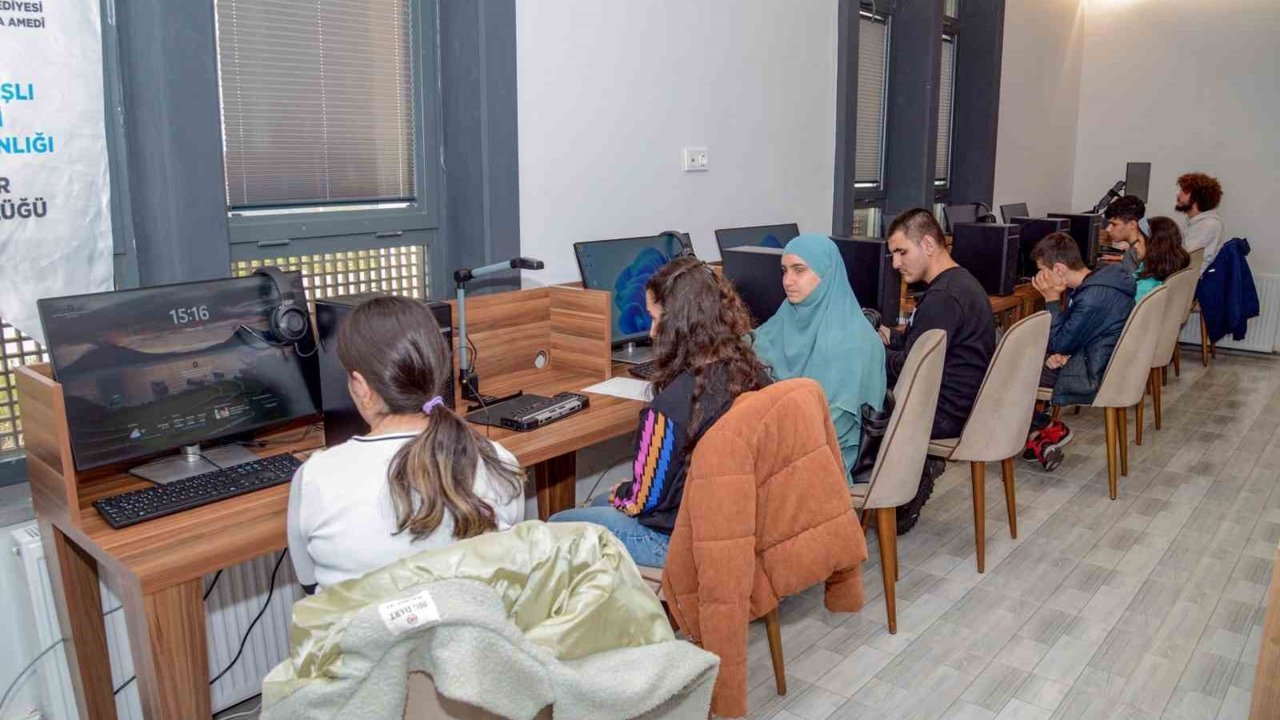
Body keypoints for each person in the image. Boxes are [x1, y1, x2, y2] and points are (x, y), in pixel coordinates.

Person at [287, 297, 525, 593]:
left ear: (361, 387)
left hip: (364, 625)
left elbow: (310, 584)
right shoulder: (498, 462)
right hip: (475, 621)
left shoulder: (314, 478)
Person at [550, 256, 769, 567]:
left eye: (656, 320)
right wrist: (622, 494)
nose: (652, 333)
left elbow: (641, 501)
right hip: (735, 518)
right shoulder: (748, 371)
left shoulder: (669, 409)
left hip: (677, 540)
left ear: (681, 326)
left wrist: (622, 494)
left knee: (555, 524)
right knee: (600, 501)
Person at [877, 209, 995, 531]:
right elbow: (926, 347)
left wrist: (871, 351)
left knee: (857, 406)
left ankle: (891, 493)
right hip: (965, 402)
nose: (895, 263)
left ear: (928, 244)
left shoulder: (941, 298)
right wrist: (892, 337)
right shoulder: (961, 284)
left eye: (902, 252)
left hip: (942, 413)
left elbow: (910, 369)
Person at [754, 234, 887, 474]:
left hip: (826, 451)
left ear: (827, 274)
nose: (788, 281)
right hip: (787, 430)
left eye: (799, 270)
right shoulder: (791, 312)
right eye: (784, 271)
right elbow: (756, 342)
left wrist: (771, 436)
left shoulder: (854, 341)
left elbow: (834, 424)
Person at [1023, 232, 1136, 470]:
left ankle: (1042, 428)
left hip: (1090, 371)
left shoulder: (1091, 297)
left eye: (1042, 271)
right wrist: (1066, 351)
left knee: (1006, 376)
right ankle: (1039, 435)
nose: (1039, 278)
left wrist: (1051, 299)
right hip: (1096, 358)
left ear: (1059, 269)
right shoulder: (1103, 281)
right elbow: (1073, 334)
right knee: (1016, 367)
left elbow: (1057, 343)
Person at [1131, 216, 1191, 301]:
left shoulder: (1145, 287)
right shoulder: (1172, 267)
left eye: (1138, 241)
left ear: (1152, 245)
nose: (1135, 246)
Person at [1176, 172, 1225, 271]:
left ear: (1196, 198)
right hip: (1185, 274)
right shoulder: (1194, 221)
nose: (1179, 194)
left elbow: (1184, 259)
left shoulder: (1209, 225)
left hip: (1193, 278)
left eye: (1184, 191)